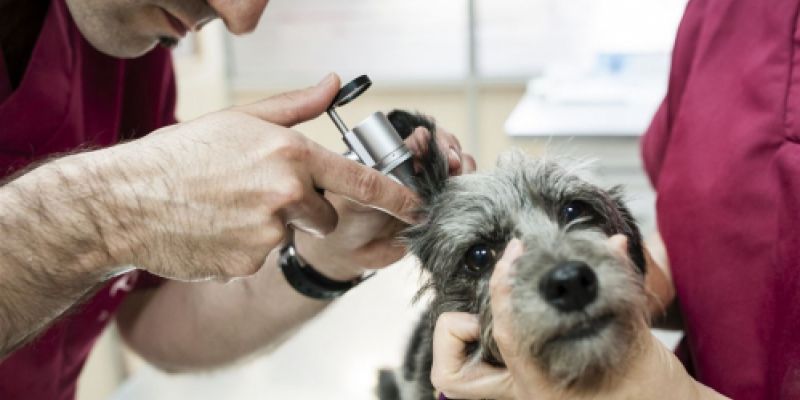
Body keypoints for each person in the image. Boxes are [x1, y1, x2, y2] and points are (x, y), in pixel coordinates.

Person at [0, 0, 474, 398]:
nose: (240, 17)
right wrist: (112, 216)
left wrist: (325, 256)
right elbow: (114, 224)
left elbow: (151, 321)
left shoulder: (132, 49)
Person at [430, 0, 800, 398]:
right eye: (482, 257)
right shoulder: (719, 11)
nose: (566, 274)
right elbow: (698, 251)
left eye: (575, 212)